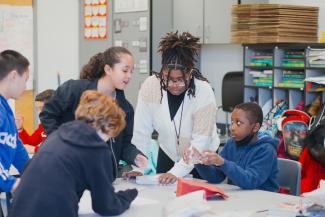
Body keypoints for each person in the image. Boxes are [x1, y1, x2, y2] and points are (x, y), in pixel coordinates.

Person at [8, 90, 138, 217]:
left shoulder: (58, 134)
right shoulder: (97, 148)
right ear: (109, 127)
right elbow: (106, 206)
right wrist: (130, 194)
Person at [39, 47, 147, 173]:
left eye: (131, 71)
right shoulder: (74, 90)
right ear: (108, 69)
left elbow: (124, 145)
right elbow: (48, 114)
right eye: (125, 70)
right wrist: (61, 144)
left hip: (102, 174)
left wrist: (135, 156)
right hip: (67, 168)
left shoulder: (125, 109)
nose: (129, 76)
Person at [132, 32, 219, 184]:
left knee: (199, 202)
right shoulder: (150, 86)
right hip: (168, 152)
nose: (173, 85)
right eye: (168, 79)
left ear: (190, 75)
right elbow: (141, 131)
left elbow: (201, 140)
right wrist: (138, 167)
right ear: (162, 72)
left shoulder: (203, 91)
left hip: (200, 158)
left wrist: (176, 172)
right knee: (162, 198)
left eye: (179, 80)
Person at [187, 102, 279, 192]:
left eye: (238, 123)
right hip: (240, 198)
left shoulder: (266, 150)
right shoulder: (231, 143)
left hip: (263, 199)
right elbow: (216, 177)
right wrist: (199, 161)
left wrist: (222, 163)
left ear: (255, 127)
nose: (232, 128)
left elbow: (250, 181)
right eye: (232, 122)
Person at [0, 50, 29, 193]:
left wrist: (36, 174)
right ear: (13, 76)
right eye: (25, 80)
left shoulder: (6, 109)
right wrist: (11, 183)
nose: (25, 87)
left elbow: (17, 148)